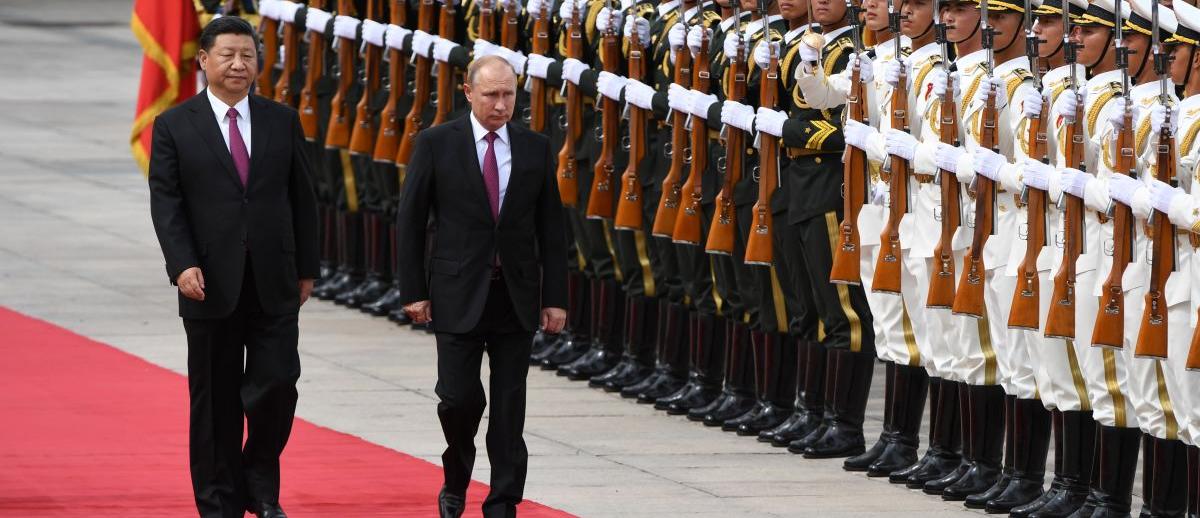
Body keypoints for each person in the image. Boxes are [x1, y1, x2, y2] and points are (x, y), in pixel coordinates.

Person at [147, 15, 319, 518]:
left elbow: (302, 199)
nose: (239, 65)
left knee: (277, 387)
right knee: (215, 401)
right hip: (208, 282)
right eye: (228, 55)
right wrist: (181, 265)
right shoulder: (175, 125)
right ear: (203, 60)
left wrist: (307, 266)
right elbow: (167, 203)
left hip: (274, 280)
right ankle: (219, 501)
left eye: (248, 56)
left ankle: (259, 483)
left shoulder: (282, 120)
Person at [396, 54, 568, 518]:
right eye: (491, 94)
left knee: (510, 406)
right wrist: (413, 289)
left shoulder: (535, 147)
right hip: (456, 292)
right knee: (458, 398)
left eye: (509, 94)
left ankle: (502, 500)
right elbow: (410, 221)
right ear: (468, 93)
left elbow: (553, 229)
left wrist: (555, 298)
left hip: (514, 294)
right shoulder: (436, 143)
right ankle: (456, 474)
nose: (501, 104)